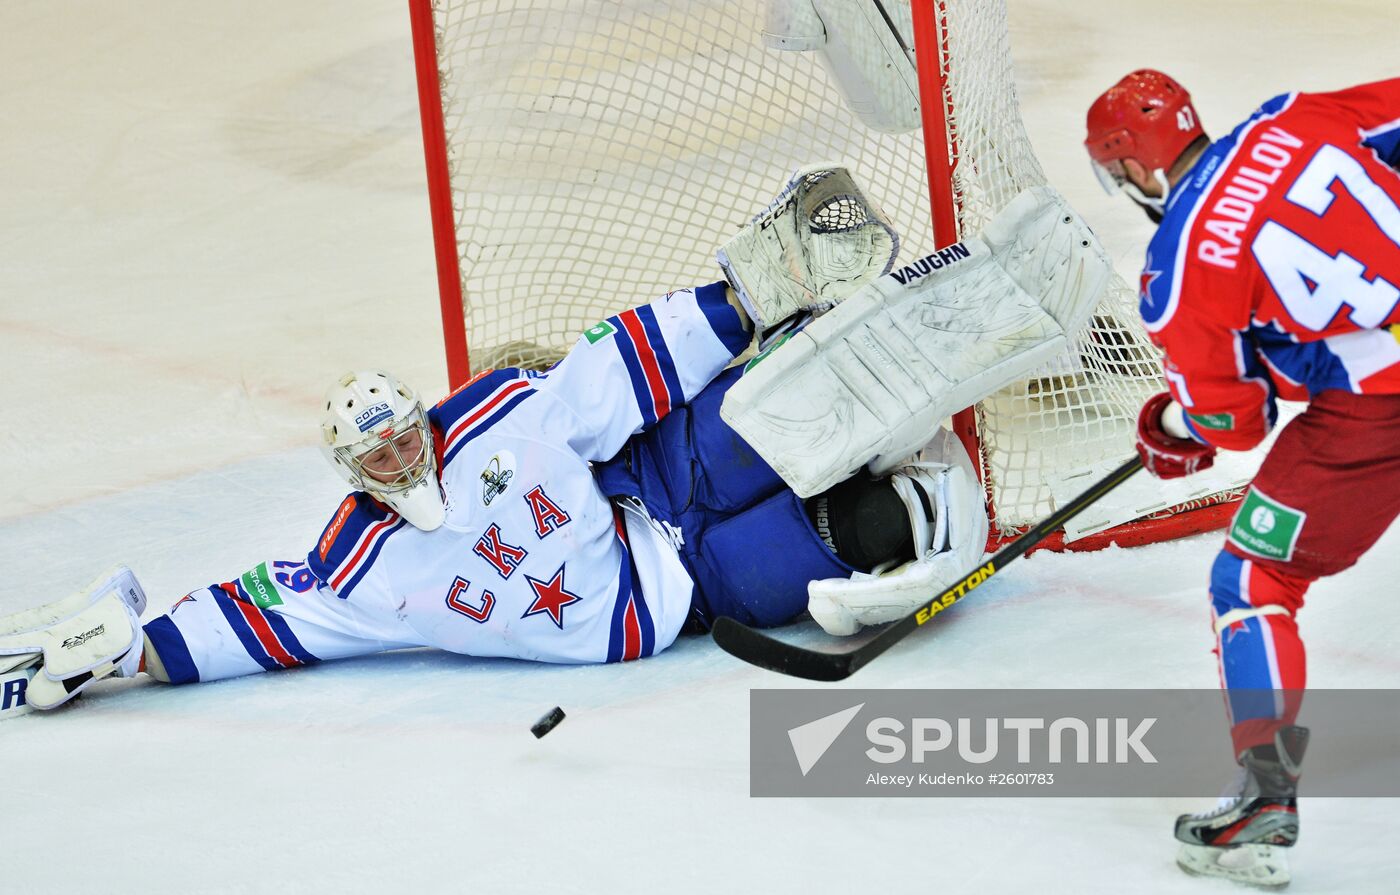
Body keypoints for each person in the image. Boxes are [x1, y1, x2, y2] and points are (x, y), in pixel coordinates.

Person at [12, 164, 1124, 717]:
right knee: (858, 528)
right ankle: (916, 499)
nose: (404, 458)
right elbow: (265, 617)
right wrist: (137, 651)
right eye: (381, 454)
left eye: (405, 433)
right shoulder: (360, 567)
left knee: (786, 405)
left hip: (648, 475)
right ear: (351, 471)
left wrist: (744, 301)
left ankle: (1017, 289)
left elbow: (614, 373)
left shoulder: (491, 414)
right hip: (671, 597)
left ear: (418, 418)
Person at [1085, 71, 1400, 887]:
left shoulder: (1178, 269)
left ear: (1134, 167)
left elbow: (1236, 424)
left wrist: (1171, 426)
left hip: (1380, 410)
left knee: (1253, 576)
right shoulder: (1290, 118)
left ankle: (1265, 793)